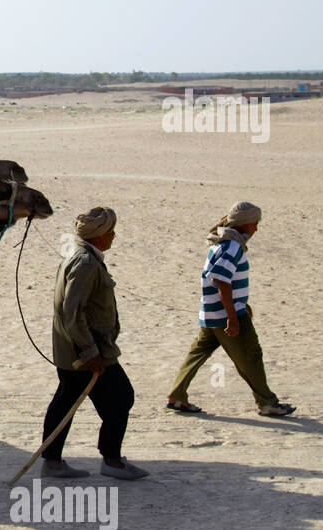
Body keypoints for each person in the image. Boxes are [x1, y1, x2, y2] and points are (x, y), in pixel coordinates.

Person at [41, 207, 148, 480]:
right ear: (100, 235)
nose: (113, 236)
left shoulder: (81, 257)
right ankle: (111, 460)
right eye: (110, 231)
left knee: (68, 400)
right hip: (86, 353)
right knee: (121, 396)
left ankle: (53, 461)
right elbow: (72, 311)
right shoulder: (85, 263)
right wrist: (90, 352)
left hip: (73, 350)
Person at [165, 202, 296, 417]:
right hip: (226, 315)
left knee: (196, 355)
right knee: (250, 357)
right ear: (245, 224)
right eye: (255, 224)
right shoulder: (233, 246)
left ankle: (177, 396)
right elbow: (222, 280)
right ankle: (267, 403)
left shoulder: (219, 242)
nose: (256, 229)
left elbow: (221, 280)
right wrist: (233, 317)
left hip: (210, 313)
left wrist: (242, 303)